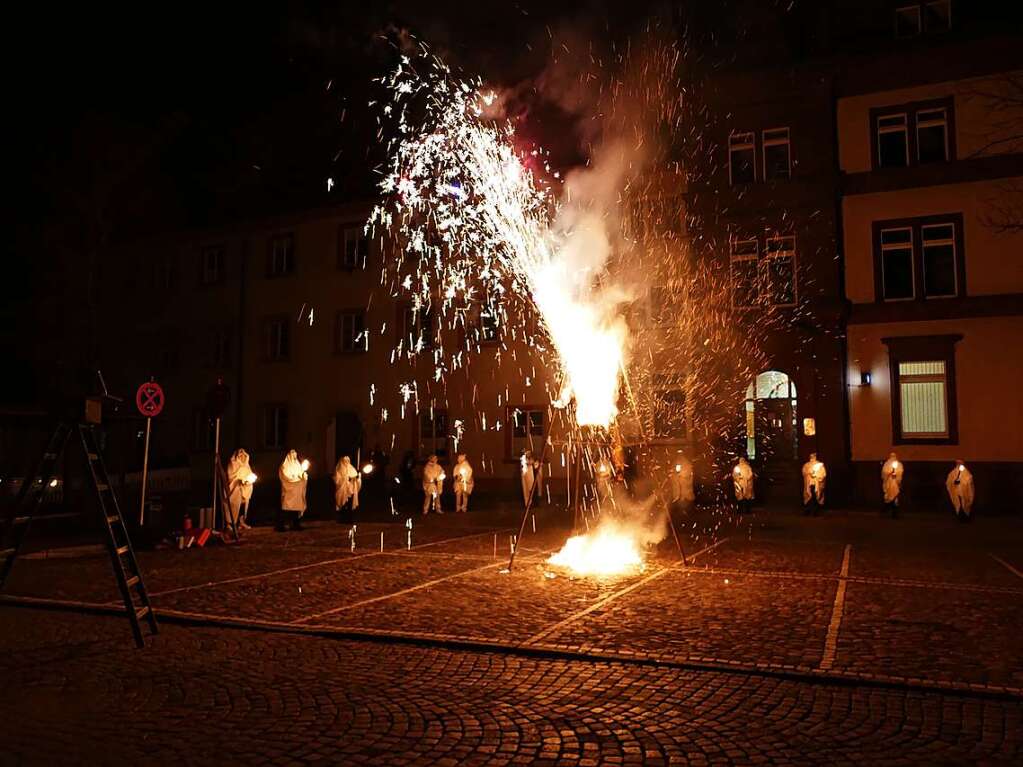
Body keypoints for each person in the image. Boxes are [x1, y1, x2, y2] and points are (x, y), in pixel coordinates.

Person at [277, 450, 308, 531]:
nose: (294, 457)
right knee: (287, 508)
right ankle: (281, 525)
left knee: (296, 508)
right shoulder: (285, 465)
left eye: (295, 455)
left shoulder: (297, 465)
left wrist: (303, 476)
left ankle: (296, 524)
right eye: (293, 455)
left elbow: (302, 473)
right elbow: (286, 476)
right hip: (290, 491)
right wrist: (296, 478)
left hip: (297, 491)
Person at [226, 448, 256, 532]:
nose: (242, 457)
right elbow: (231, 476)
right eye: (240, 456)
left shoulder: (246, 465)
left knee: (244, 504)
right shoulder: (233, 464)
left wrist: (248, 481)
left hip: (245, 489)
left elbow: (249, 475)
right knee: (235, 504)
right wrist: (240, 481)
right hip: (235, 488)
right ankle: (230, 523)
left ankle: (241, 522)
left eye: (244, 456)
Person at [333, 455, 361, 523]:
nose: (346, 463)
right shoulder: (339, 470)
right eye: (345, 461)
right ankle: (342, 519)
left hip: (350, 491)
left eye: (347, 461)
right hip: (343, 491)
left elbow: (355, 478)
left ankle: (349, 518)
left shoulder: (351, 469)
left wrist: (357, 478)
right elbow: (337, 480)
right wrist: (346, 479)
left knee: (349, 506)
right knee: (343, 505)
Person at [881, 452, 904, 517]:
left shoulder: (898, 464)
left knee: (895, 496)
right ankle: (887, 511)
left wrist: (896, 477)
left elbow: (900, 473)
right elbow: (884, 474)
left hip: (895, 484)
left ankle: (894, 512)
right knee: (889, 497)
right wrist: (890, 473)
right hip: (889, 483)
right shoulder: (887, 464)